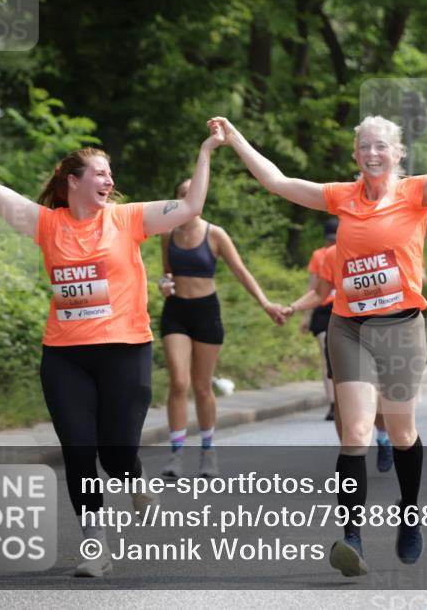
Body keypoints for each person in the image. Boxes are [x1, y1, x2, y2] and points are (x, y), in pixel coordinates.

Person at [211, 81, 427, 577]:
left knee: (403, 430)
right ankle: (352, 536)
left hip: (402, 327)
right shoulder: (342, 197)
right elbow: (279, 182)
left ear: (396, 153)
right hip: (350, 327)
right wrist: (236, 139)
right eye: (364, 146)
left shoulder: (416, 192)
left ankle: (409, 515)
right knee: (357, 434)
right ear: (355, 154)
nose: (371, 153)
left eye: (381, 146)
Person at [0, 93, 221, 578]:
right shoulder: (46, 224)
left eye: (110, 175)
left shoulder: (128, 218)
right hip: (65, 356)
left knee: (117, 454)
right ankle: (94, 544)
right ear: (73, 182)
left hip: (124, 351)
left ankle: (134, 478)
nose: (109, 181)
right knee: (78, 449)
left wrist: (205, 153)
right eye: (100, 173)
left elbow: (191, 205)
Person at [158, 179, 287, 479]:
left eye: (194, 193)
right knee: (179, 383)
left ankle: (207, 451)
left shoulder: (214, 234)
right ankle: (176, 454)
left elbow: (240, 271)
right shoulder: (168, 234)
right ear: (176, 199)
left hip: (206, 313)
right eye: (182, 193)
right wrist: (164, 283)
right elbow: (166, 272)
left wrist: (266, 303)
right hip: (176, 313)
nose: (188, 198)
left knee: (202, 386)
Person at [291, 242, 395, 473]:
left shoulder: (381, 246)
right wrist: (293, 307)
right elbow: (319, 292)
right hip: (342, 330)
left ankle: (383, 437)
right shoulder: (331, 254)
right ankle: (349, 454)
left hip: (377, 329)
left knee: (376, 395)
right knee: (342, 396)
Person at [301, 218, 339, 422]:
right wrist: (306, 316)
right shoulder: (319, 255)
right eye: (329, 240)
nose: (331, 243)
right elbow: (313, 287)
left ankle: (343, 399)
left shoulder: (347, 251)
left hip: (341, 306)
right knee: (326, 353)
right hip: (323, 308)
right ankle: (332, 402)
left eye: (335, 239)